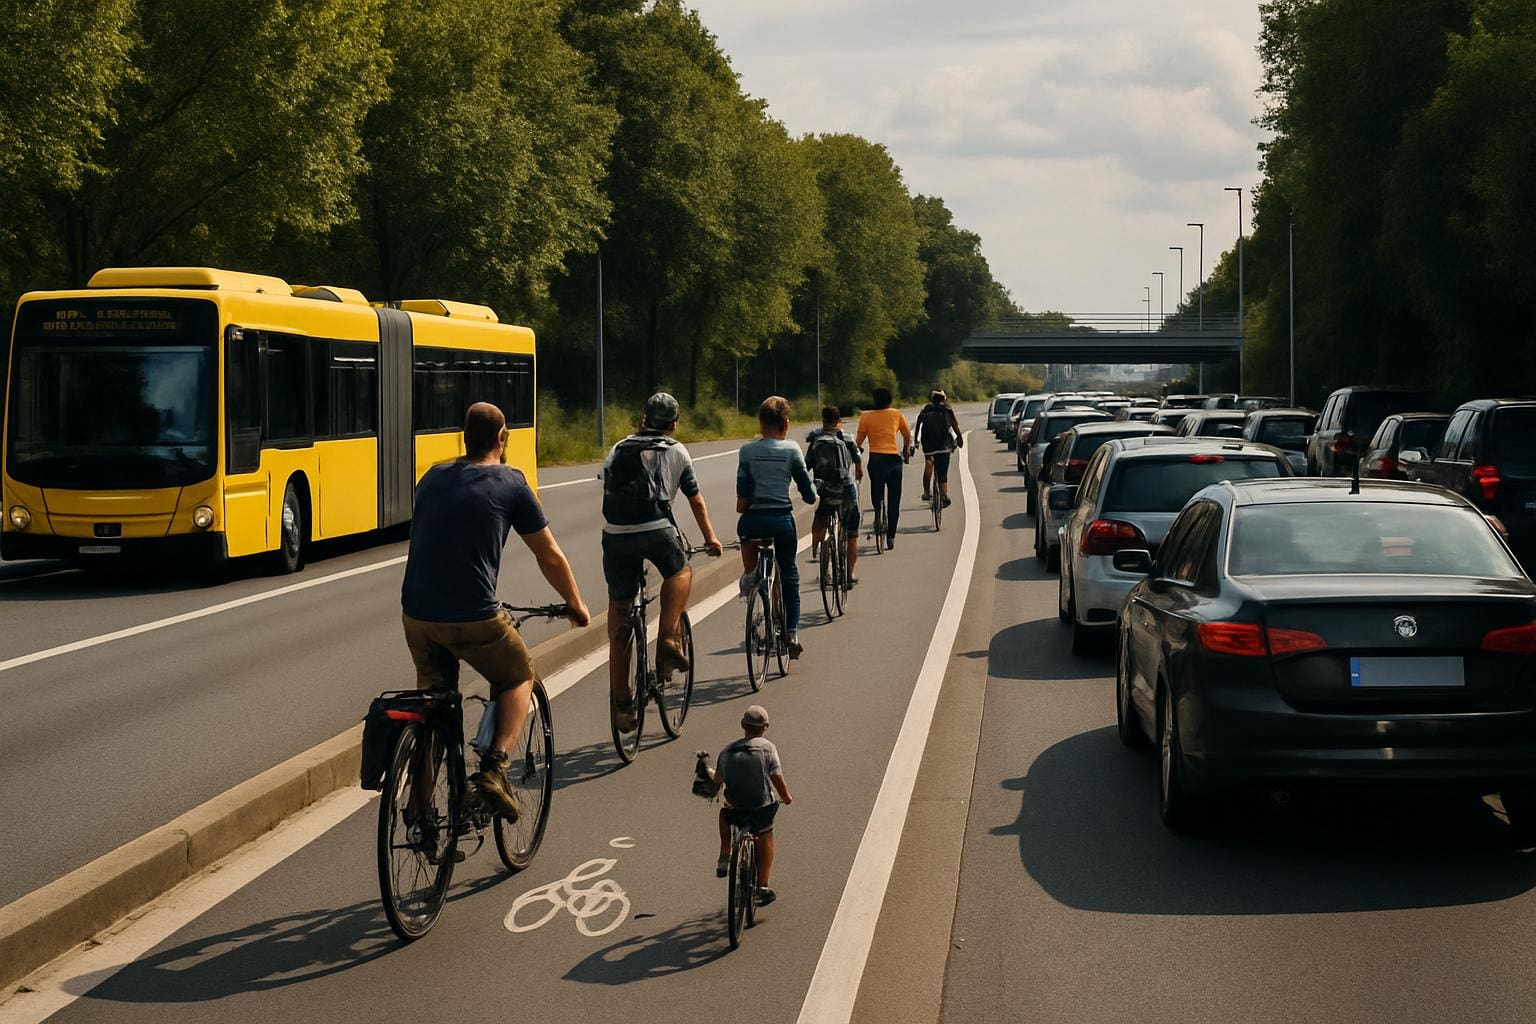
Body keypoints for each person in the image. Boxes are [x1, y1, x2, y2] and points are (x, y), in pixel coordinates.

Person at [401, 402, 590, 822]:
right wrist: (575, 603)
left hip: (417, 615)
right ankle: (494, 768)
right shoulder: (511, 482)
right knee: (518, 674)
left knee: (432, 702)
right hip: (474, 616)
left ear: (463, 437)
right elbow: (548, 555)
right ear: (502, 439)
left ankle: (419, 814)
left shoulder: (431, 478)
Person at [601, 392, 723, 733]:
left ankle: (622, 708)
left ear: (644, 419)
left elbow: (608, 491)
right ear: (673, 424)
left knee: (619, 619)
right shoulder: (676, 450)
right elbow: (695, 500)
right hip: (655, 530)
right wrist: (711, 538)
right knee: (680, 571)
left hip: (615, 535)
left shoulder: (617, 448)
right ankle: (668, 637)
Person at [737, 396, 818, 658]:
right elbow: (807, 491)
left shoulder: (746, 452)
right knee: (790, 576)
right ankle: (792, 633)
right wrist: (812, 494)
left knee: (745, 532)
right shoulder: (792, 449)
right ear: (785, 424)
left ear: (760, 423)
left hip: (753, 521)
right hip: (781, 521)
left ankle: (751, 577)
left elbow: (742, 494)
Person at [696, 704, 793, 907]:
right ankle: (762, 887)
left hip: (735, 808)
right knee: (765, 835)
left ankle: (725, 853)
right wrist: (786, 797)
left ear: (742, 725)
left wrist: (709, 773)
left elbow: (718, 780)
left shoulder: (727, 750)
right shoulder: (768, 748)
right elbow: (776, 777)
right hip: (760, 808)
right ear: (765, 727)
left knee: (724, 814)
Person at [805, 405, 863, 587]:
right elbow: (858, 462)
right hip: (846, 489)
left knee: (821, 519)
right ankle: (850, 574)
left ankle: (821, 557)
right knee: (852, 532)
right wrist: (858, 474)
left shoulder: (816, 439)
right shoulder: (846, 437)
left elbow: (807, 465)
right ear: (839, 421)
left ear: (823, 420)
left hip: (826, 490)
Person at [855, 387, 912, 549]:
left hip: (876, 460)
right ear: (890, 401)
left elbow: (858, 443)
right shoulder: (896, 414)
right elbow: (907, 435)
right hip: (894, 461)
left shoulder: (866, 417)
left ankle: (878, 511)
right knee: (894, 500)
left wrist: (858, 456)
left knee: (877, 491)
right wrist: (906, 450)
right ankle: (891, 536)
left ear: (874, 400)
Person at [914, 389, 964, 508]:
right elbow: (954, 425)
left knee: (929, 462)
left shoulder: (926, 409)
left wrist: (916, 440)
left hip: (928, 443)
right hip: (944, 445)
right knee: (942, 472)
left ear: (932, 399)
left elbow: (918, 424)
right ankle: (944, 496)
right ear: (944, 398)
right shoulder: (947, 409)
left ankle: (927, 492)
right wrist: (959, 439)